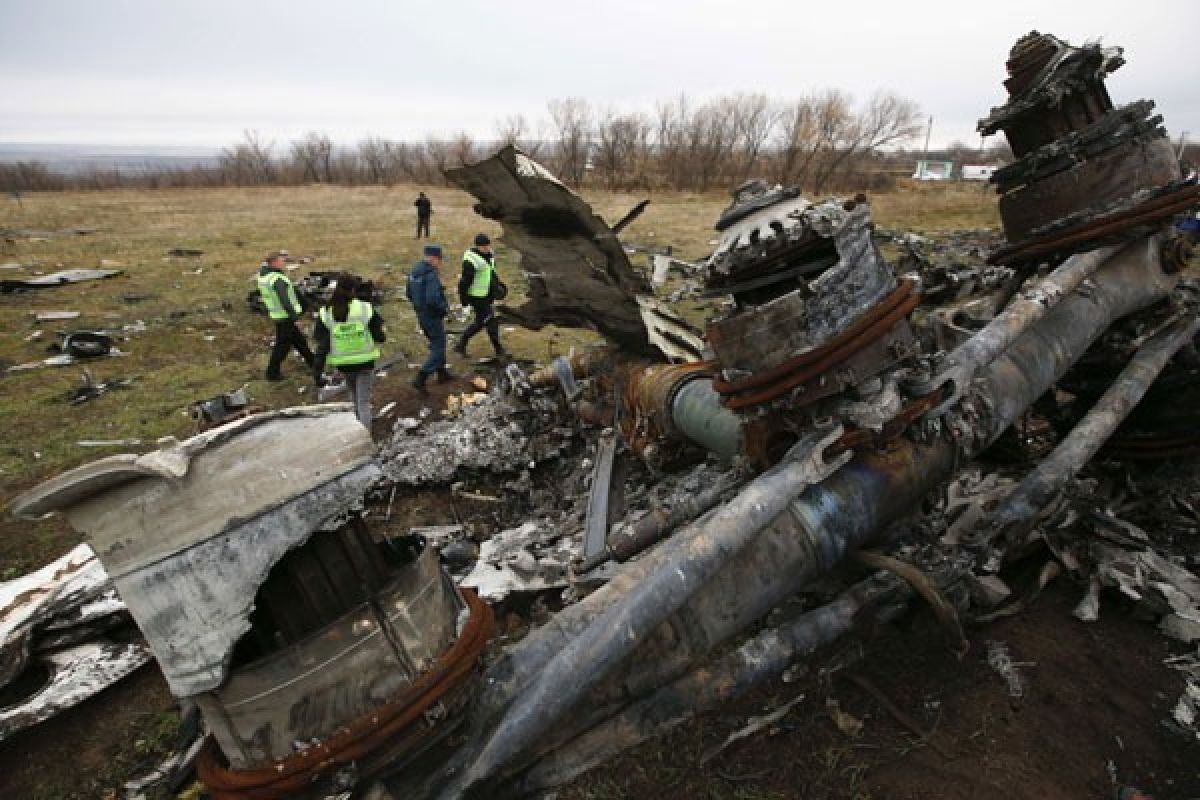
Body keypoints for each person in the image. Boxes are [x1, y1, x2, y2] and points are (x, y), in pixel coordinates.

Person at [313, 275, 385, 429]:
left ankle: (357, 424)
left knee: (354, 397)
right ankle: (365, 435)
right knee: (363, 401)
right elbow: (379, 335)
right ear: (353, 290)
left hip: (343, 363)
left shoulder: (326, 312)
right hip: (365, 361)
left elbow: (320, 339)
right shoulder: (364, 308)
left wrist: (317, 370)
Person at [256, 250, 315, 381]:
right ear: (274, 262)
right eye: (282, 260)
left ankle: (313, 362)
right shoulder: (276, 279)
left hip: (279, 315)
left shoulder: (264, 276)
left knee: (298, 341)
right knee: (282, 346)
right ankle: (272, 373)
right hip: (285, 317)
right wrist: (295, 317)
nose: (284, 263)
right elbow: (285, 300)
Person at [406, 244, 454, 392]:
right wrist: (443, 308)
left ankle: (442, 373)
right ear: (433, 258)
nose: (440, 263)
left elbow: (408, 293)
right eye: (439, 260)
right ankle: (421, 377)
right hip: (432, 315)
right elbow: (433, 298)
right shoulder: (430, 274)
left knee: (436, 341)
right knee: (438, 346)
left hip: (421, 314)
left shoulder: (414, 271)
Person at [454, 233, 506, 358]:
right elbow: (464, 282)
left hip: (487, 295)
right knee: (489, 321)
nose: (487, 248)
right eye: (484, 246)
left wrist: (499, 285)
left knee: (483, 321)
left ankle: (461, 344)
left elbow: (491, 272)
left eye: (488, 245)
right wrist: (464, 299)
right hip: (476, 297)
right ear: (478, 246)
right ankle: (498, 350)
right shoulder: (470, 260)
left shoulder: (489, 255)